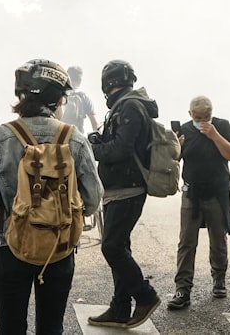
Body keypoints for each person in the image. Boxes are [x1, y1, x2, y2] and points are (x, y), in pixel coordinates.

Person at [0, 59, 103, 335]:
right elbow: (92, 198)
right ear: (58, 100)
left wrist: (15, 210)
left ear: (21, 97)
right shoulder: (74, 139)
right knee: (51, 327)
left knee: (10, 326)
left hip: (9, 245)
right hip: (59, 245)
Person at [85, 59, 162, 329]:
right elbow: (116, 144)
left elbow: (121, 150)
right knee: (120, 246)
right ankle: (120, 308)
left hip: (128, 188)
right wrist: (99, 139)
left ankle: (145, 295)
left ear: (108, 83)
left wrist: (94, 148)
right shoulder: (126, 105)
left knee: (112, 247)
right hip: (118, 188)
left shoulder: (130, 106)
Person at [167, 96, 230, 311]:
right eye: (198, 118)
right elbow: (172, 162)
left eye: (206, 117)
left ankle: (219, 278)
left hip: (217, 192)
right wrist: (176, 148)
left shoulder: (222, 126)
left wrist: (215, 135)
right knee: (186, 242)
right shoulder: (185, 130)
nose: (202, 121)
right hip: (192, 193)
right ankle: (182, 289)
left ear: (212, 113)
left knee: (218, 237)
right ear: (190, 114)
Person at [60, 65, 100, 134]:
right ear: (80, 81)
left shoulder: (59, 95)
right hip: (77, 137)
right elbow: (94, 124)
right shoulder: (84, 97)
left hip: (59, 137)